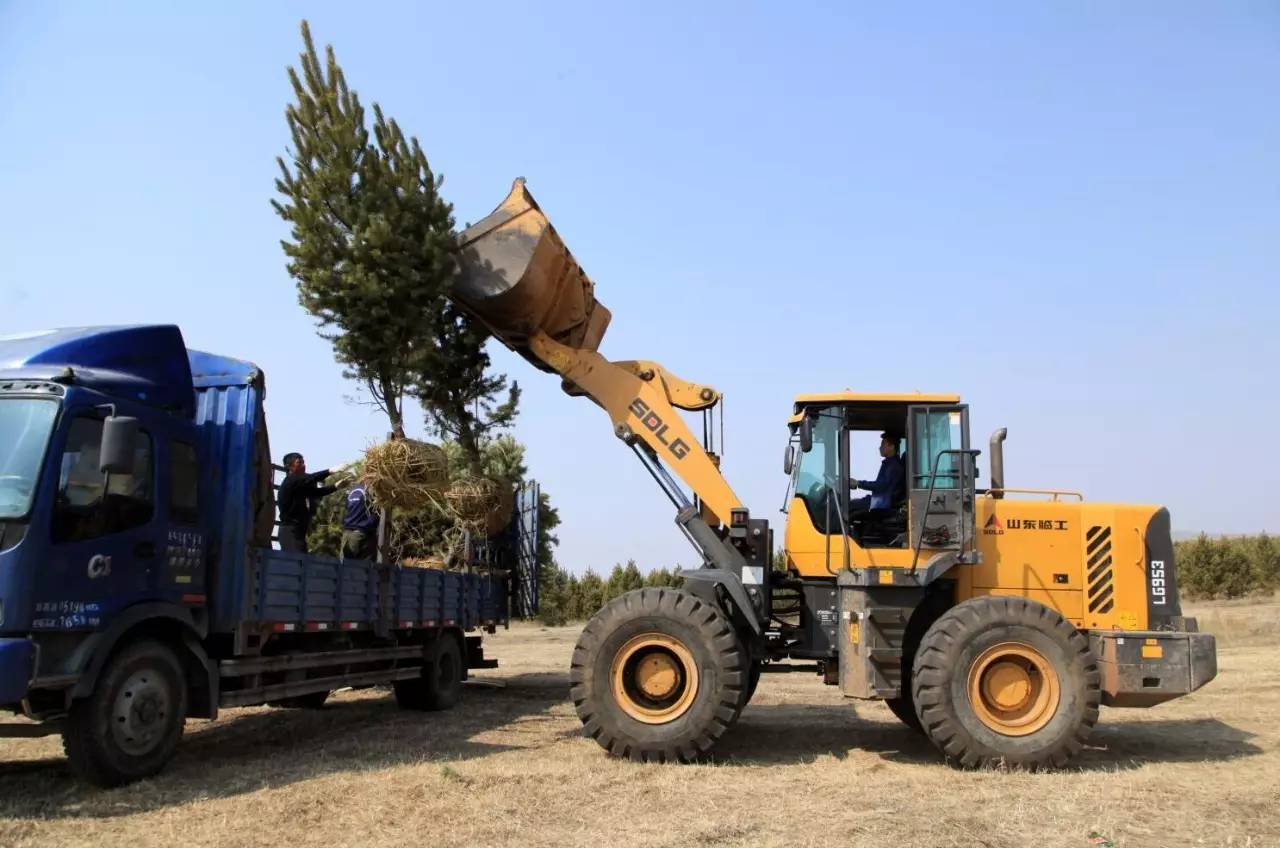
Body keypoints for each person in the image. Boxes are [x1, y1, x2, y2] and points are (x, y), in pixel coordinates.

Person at [276, 452, 340, 554]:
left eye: (303, 462)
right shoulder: (290, 481)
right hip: (290, 532)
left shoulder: (299, 485)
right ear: (289, 467)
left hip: (298, 532)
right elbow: (310, 478)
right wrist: (329, 471)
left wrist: (335, 486)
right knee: (295, 565)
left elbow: (315, 492)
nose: (303, 465)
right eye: (299, 462)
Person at [851, 433, 906, 513]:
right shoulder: (889, 464)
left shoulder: (893, 466)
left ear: (892, 447)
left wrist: (858, 483)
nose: (880, 447)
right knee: (853, 503)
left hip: (883, 504)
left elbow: (880, 486)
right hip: (880, 500)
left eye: (883, 444)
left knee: (849, 506)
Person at [341, 476, 380, 561]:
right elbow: (377, 512)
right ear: (367, 480)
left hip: (347, 534)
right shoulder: (369, 492)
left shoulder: (352, 491)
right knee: (363, 568)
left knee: (344, 566)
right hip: (361, 534)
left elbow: (345, 511)